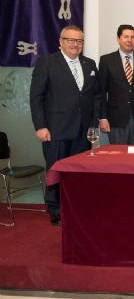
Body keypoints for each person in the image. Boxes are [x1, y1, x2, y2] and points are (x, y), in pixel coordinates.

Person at [30, 25, 99, 226]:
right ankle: (55, 209)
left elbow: (95, 97)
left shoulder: (89, 64)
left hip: (83, 130)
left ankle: (75, 206)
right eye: (70, 40)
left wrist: (93, 124)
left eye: (79, 41)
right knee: (55, 169)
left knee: (78, 171)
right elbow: (36, 97)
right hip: (55, 129)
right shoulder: (47, 63)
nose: (75, 44)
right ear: (61, 41)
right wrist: (40, 126)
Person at [97, 24, 134, 145]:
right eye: (126, 36)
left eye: (133, 37)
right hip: (116, 120)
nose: (130, 40)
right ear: (118, 38)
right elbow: (101, 91)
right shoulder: (106, 60)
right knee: (118, 158)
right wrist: (103, 117)